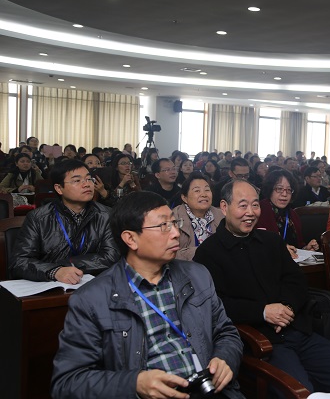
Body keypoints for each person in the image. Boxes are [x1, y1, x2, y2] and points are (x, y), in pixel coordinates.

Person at [51, 191, 244, 399]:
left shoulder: (197, 275)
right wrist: (134, 384)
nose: (176, 233)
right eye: (163, 226)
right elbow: (67, 383)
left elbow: (226, 332)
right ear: (131, 239)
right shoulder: (91, 299)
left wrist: (224, 359)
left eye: (175, 223)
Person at [194, 180, 330, 394]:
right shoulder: (208, 253)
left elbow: (297, 281)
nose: (251, 212)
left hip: (297, 330)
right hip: (261, 342)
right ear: (224, 207)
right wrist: (263, 312)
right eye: (243, 205)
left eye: (255, 205)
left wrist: (287, 307)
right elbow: (217, 306)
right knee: (300, 391)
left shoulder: (271, 241)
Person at [10, 160, 120, 282]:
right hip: (50, 286)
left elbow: (111, 257)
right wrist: (54, 271)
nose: (87, 184)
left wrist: (67, 265)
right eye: (77, 181)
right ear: (59, 188)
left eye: (89, 179)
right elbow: (19, 261)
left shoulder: (106, 215)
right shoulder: (38, 218)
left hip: (94, 284)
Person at [256, 169, 319, 257]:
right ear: (270, 189)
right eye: (279, 189)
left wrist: (306, 249)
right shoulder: (259, 211)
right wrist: (281, 250)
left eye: (289, 190)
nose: (284, 194)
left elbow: (297, 247)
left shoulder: (293, 215)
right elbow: (259, 247)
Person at [173, 172, 224, 260]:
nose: (204, 194)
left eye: (207, 190)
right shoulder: (174, 218)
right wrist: (203, 252)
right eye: (197, 191)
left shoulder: (221, 216)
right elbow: (169, 253)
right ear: (184, 198)